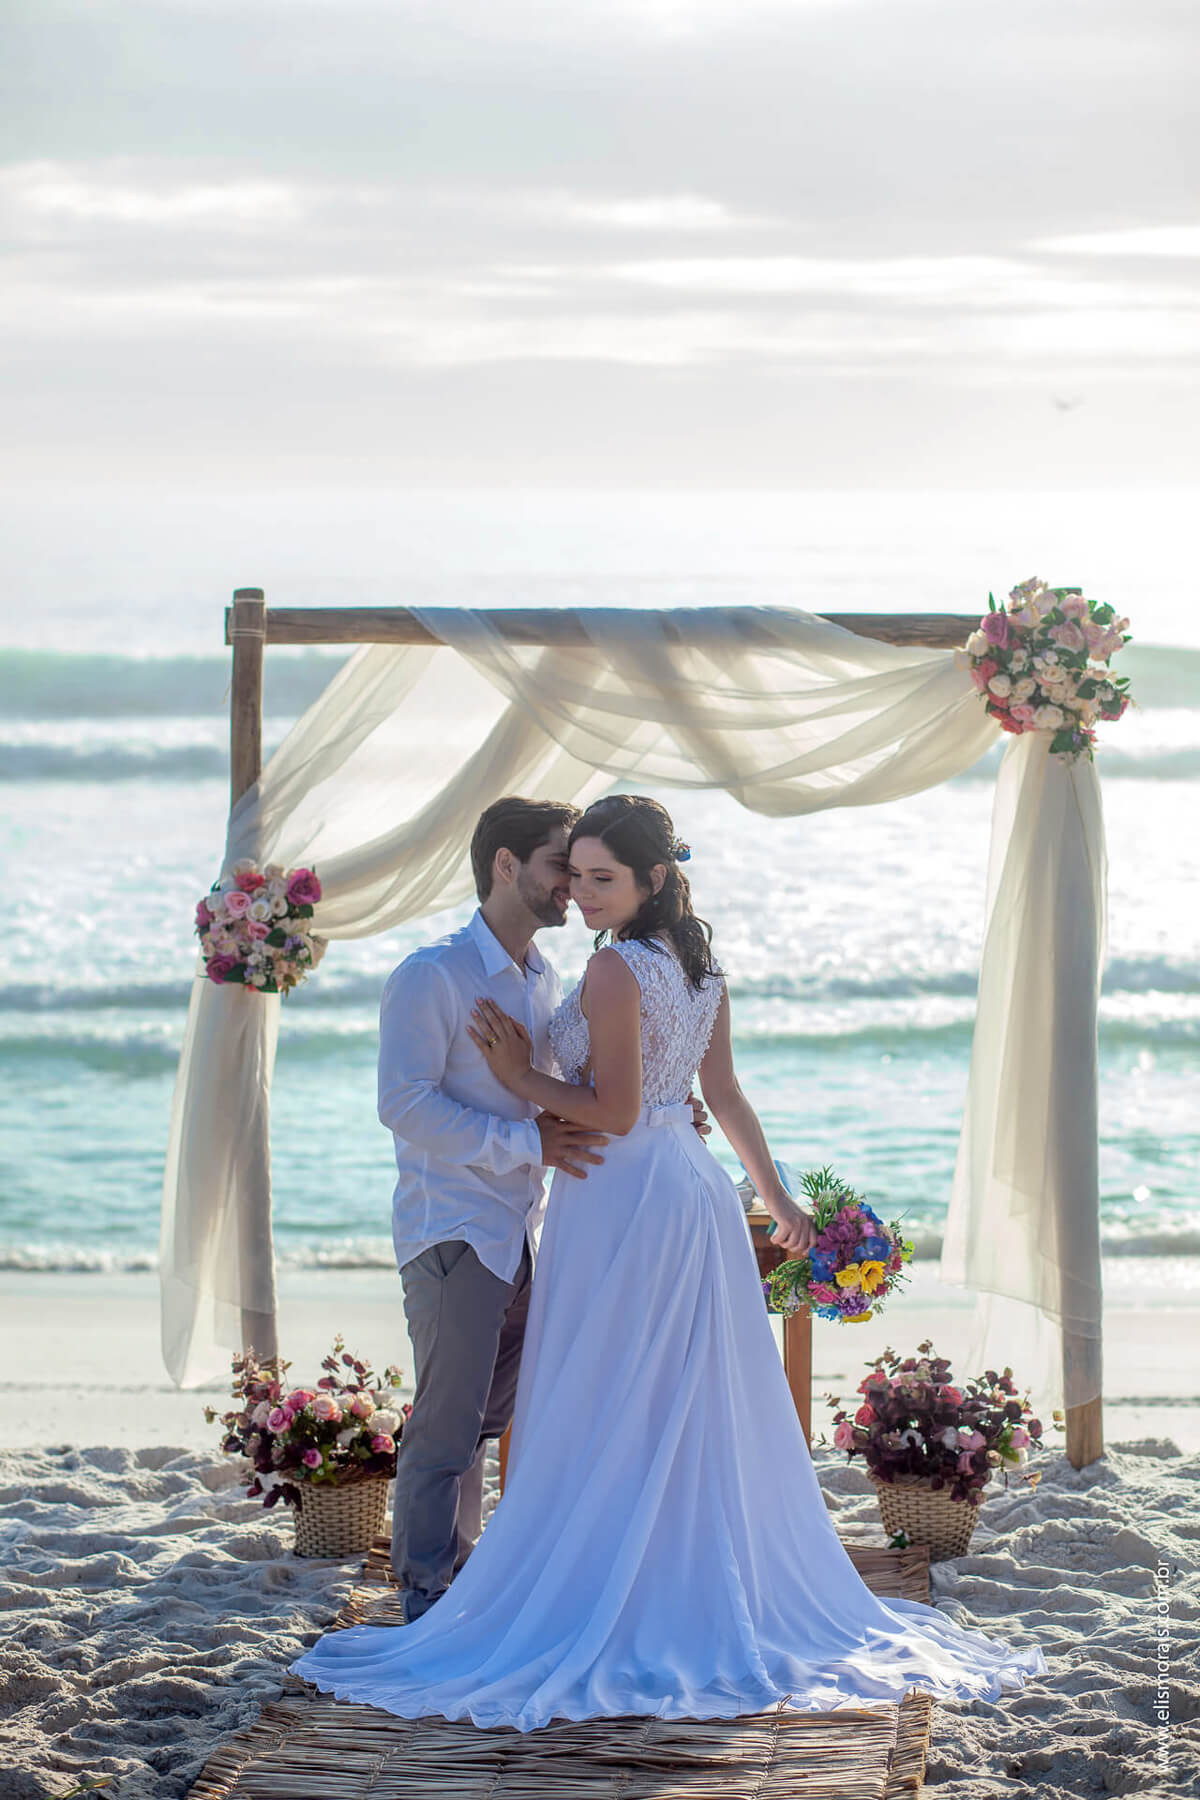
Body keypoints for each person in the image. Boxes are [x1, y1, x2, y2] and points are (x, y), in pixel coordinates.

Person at [293, 794, 1047, 1726]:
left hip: (622, 1195)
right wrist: (770, 1199)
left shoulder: (606, 970)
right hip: (677, 1188)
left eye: (600, 876)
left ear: (653, 879)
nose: (581, 890)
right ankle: (637, 1574)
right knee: (665, 1398)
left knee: (607, 1393)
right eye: (574, 873)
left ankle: (603, 1587)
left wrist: (530, 1081)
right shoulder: (692, 967)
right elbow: (716, 1094)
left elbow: (610, 1109)